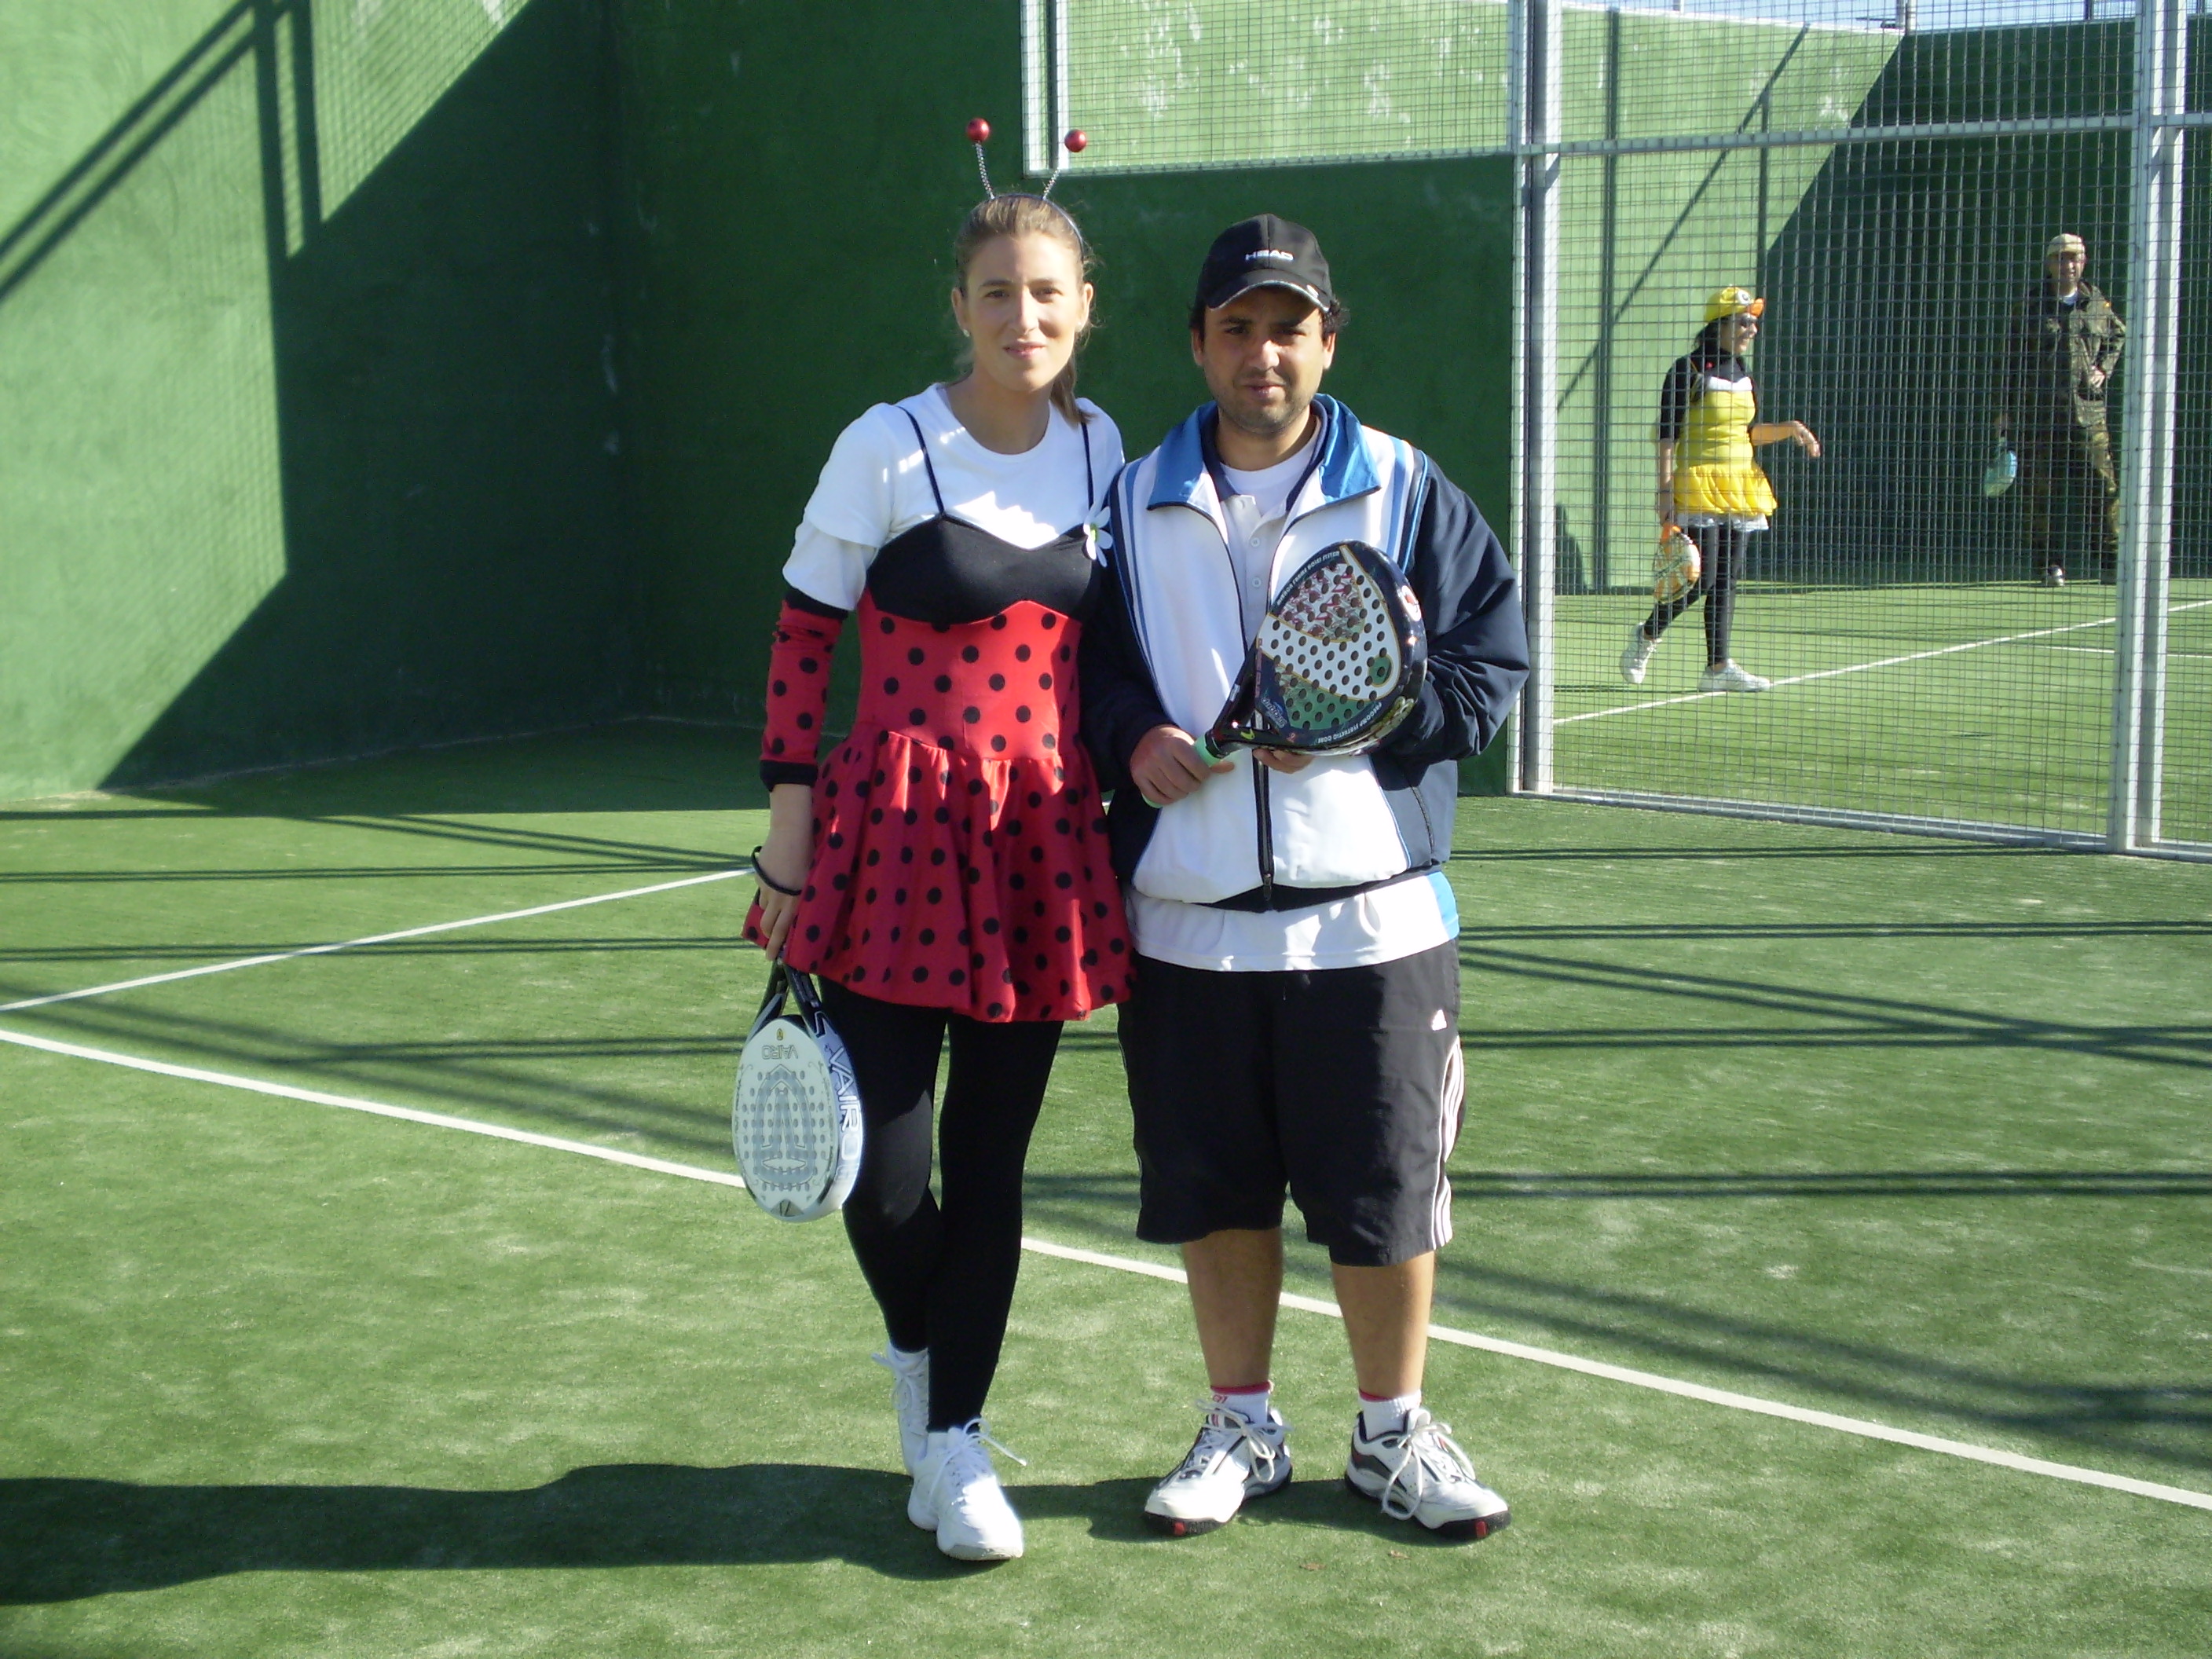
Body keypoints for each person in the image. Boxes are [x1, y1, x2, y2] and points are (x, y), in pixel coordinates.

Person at [1080, 215, 1529, 1541]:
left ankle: (1391, 1435)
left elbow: (1486, 670)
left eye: (1289, 328)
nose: (1263, 352)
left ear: (1328, 341)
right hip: (1187, 929)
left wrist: (1362, 717)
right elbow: (1086, 673)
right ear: (1198, 344)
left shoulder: (1406, 486)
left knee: (1384, 1197)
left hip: (1371, 926)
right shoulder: (1129, 502)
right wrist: (1133, 736)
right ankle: (1242, 1426)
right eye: (1239, 327)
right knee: (1215, 1193)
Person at [745, 189, 1129, 1562]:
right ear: (959, 307)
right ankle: (919, 1354)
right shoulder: (887, 444)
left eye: (1048, 292)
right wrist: (788, 829)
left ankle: (956, 1442)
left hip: (1041, 847)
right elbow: (804, 637)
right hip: (895, 842)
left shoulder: (1103, 448)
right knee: (888, 1178)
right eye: (997, 293)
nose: (1024, 316)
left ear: (1083, 307)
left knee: (993, 1164)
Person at [1621, 286, 1820, 692]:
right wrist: (1664, 491)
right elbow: (1667, 435)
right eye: (1744, 322)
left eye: (1754, 322)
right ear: (1720, 324)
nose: (1752, 329)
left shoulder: (1744, 374)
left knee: (1727, 578)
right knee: (1701, 578)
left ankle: (1718, 668)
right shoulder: (1688, 370)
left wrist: (1789, 429)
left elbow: (1748, 433)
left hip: (1741, 483)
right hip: (1697, 483)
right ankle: (1647, 635)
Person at [1997, 233, 2125, 588]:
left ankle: (2112, 563)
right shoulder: (2030, 305)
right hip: (2039, 415)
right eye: (2061, 258)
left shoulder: (2096, 303)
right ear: (2050, 263)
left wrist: (2103, 369)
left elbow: (2117, 335)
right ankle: (2048, 565)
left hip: (2087, 414)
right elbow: (2010, 360)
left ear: (2083, 262)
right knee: (2039, 494)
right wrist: (2005, 410)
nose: (2069, 264)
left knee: (2102, 489)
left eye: (2075, 258)